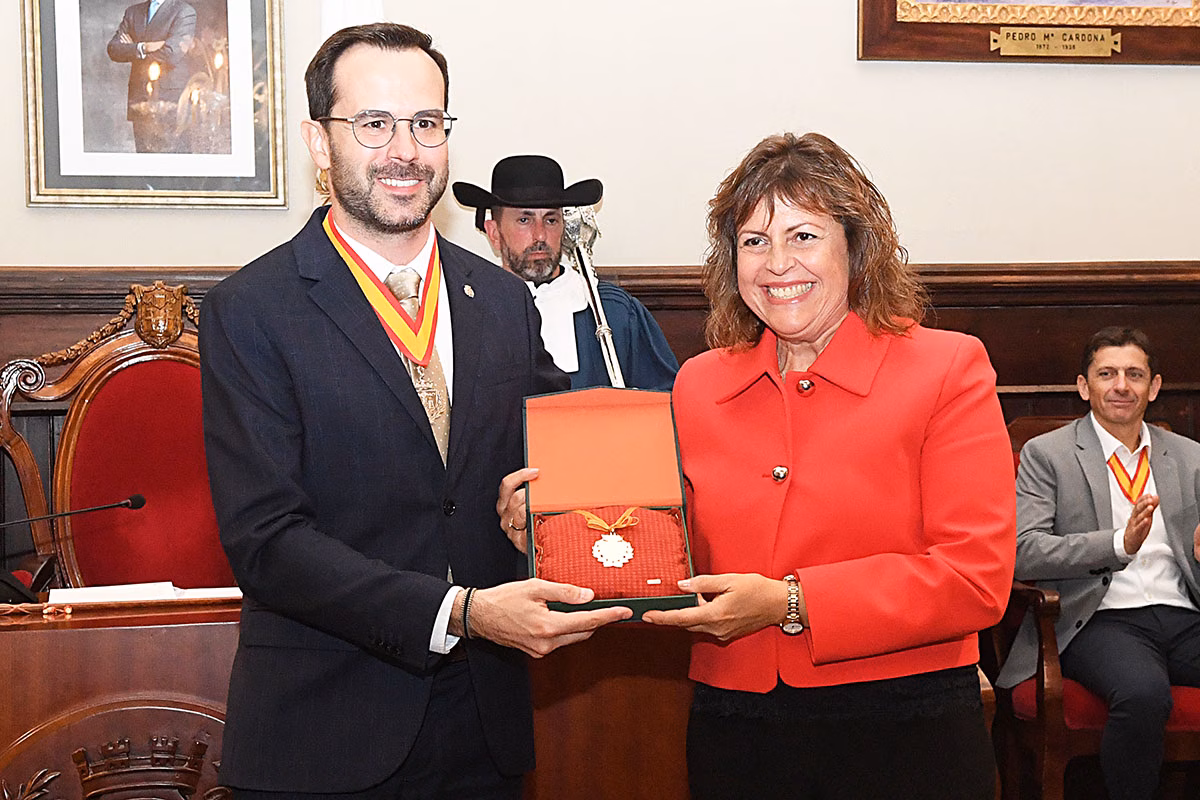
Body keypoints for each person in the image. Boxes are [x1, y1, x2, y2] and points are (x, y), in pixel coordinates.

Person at [200, 23, 630, 799]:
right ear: (318, 142)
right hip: (324, 736)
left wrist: (545, 504)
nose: (406, 149)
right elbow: (266, 543)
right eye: (374, 123)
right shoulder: (251, 310)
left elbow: (542, 459)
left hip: (484, 731)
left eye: (426, 124)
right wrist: (459, 611)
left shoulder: (501, 301)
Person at [641, 132, 1016, 799]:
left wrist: (793, 602)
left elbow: (975, 579)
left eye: (804, 236)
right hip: (736, 726)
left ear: (856, 246)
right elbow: (672, 551)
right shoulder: (697, 383)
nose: (777, 263)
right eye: (754, 241)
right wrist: (558, 532)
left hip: (907, 725)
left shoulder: (947, 369)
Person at [995, 327, 1200, 800]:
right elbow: (1025, 550)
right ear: (1085, 386)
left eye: (1134, 374)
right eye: (1107, 374)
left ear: (1155, 386)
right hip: (1099, 618)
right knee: (1143, 695)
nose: (1121, 386)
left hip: (1182, 613)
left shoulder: (1188, 457)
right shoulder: (1049, 455)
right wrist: (1117, 544)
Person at [453, 155, 678, 389]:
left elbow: (663, 401)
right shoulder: (469, 312)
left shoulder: (614, 311)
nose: (540, 235)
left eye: (551, 220)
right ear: (494, 233)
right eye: (524, 220)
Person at [106, 0, 197, 152]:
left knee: (174, 163)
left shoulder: (184, 11)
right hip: (140, 98)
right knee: (145, 160)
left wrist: (133, 48)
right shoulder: (133, 12)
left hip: (172, 101)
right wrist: (144, 47)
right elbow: (114, 49)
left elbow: (171, 54)